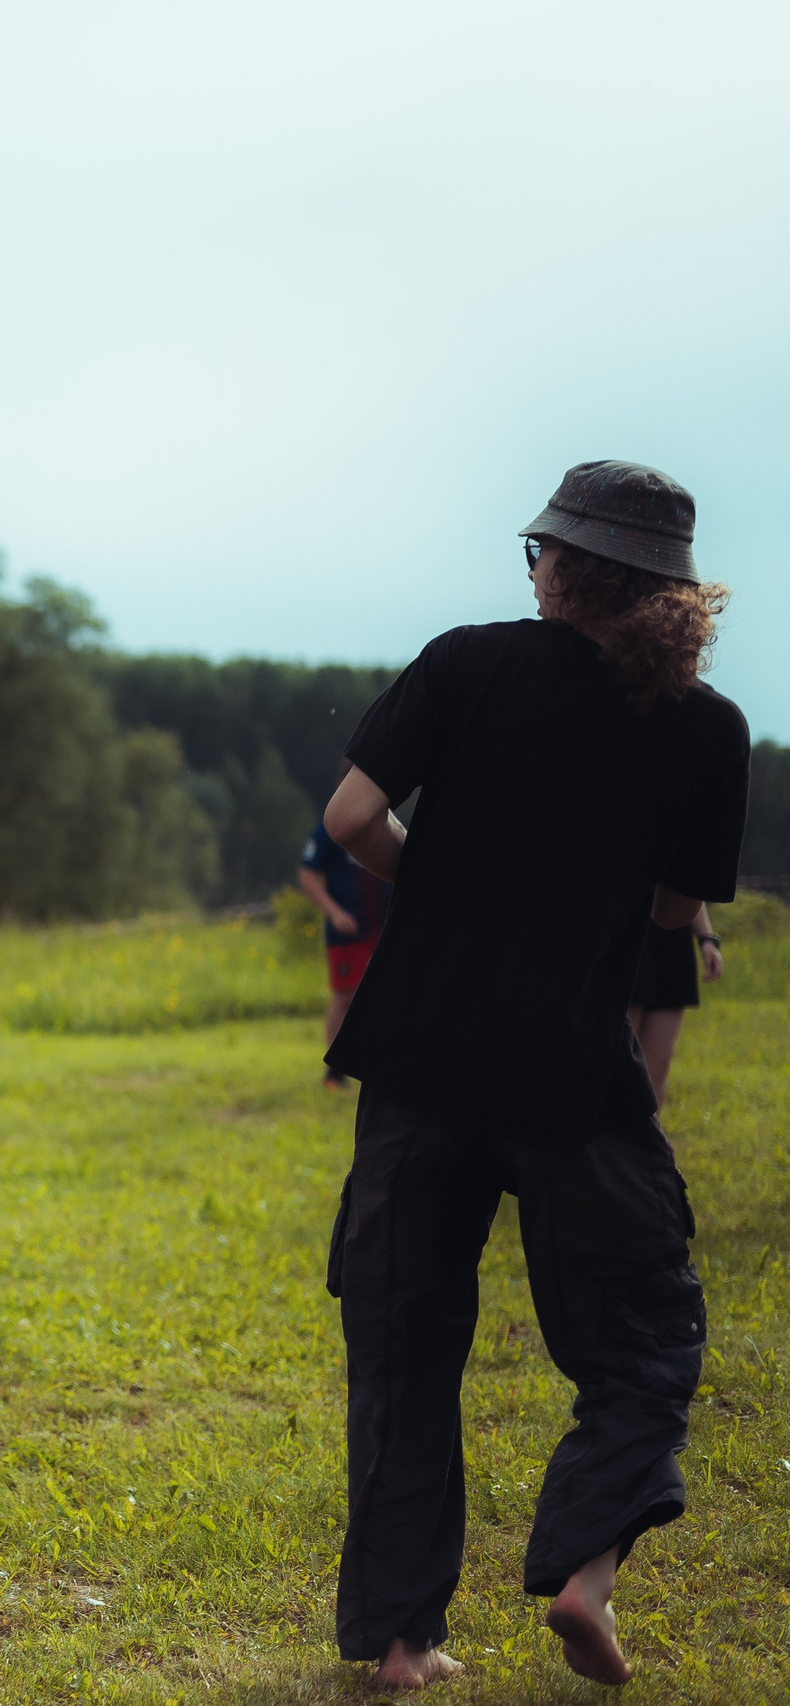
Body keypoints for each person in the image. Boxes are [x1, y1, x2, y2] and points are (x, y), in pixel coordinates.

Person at [319, 461, 745, 1690]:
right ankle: (582, 1570)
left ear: (556, 562)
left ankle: (402, 1644)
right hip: (567, 1072)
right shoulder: (706, 726)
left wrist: (440, 877)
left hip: (417, 1057)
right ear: (672, 591)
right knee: (646, 1331)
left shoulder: (463, 661)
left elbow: (352, 819)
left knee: (403, 1342)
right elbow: (671, 906)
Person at [299, 805, 393, 1088]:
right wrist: (335, 913)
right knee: (344, 997)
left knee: (389, 996)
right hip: (348, 929)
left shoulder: (387, 821)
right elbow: (307, 874)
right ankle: (335, 1073)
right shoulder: (332, 825)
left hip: (384, 926)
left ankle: (384, 1069)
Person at [627, 906, 723, 1107]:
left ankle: (648, 1137)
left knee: (658, 1064)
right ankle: (607, 1137)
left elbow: (688, 883)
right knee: (620, 1060)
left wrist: (706, 938)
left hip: (672, 936)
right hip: (626, 928)